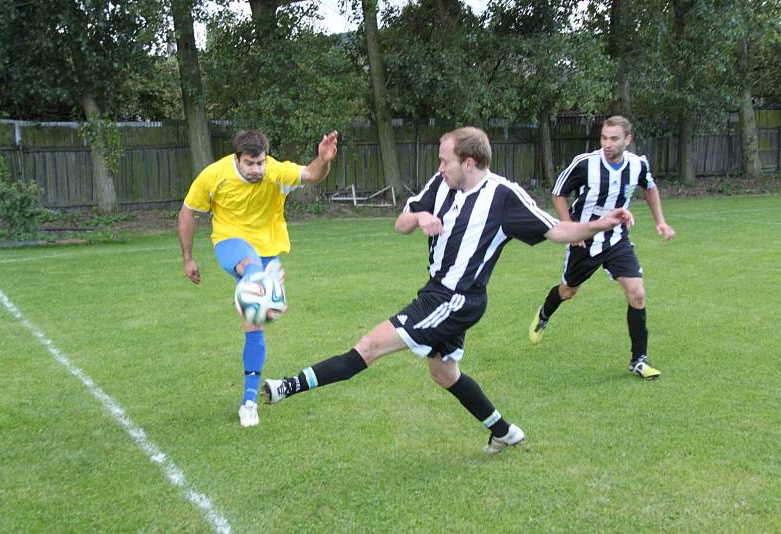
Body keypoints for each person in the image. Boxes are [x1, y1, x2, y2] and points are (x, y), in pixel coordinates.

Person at [261, 127, 634, 453]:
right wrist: (421, 216)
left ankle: (286, 387)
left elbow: (558, 231)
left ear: (469, 162)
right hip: (437, 291)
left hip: (456, 300)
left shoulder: (504, 197)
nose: (440, 167)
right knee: (443, 373)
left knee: (370, 346)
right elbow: (400, 224)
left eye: (445, 160)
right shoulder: (442, 183)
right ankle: (505, 432)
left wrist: (601, 224)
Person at [178, 129, 339, 428]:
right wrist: (188, 258)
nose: (256, 169)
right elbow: (188, 212)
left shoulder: (275, 172)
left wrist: (323, 159)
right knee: (252, 270)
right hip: (231, 242)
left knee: (255, 328)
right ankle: (259, 288)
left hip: (268, 248)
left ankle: (249, 402)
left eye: (260, 163)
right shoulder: (214, 176)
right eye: (250, 164)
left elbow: (312, 175)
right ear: (236, 159)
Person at [528, 115, 675, 380]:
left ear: (627, 140)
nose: (607, 144)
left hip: (617, 238)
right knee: (569, 290)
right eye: (604, 138)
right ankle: (544, 312)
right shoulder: (585, 164)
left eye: (614, 139)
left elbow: (649, 188)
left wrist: (661, 222)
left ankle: (639, 359)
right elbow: (558, 193)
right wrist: (571, 228)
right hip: (584, 238)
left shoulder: (637, 164)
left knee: (637, 293)